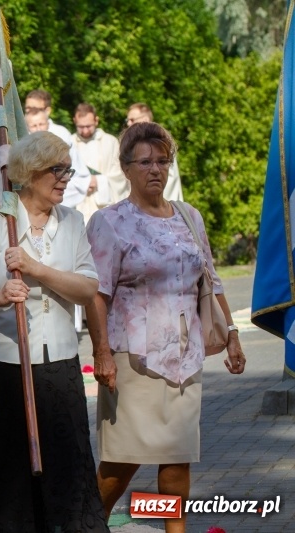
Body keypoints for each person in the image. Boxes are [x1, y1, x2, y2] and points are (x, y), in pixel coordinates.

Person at [84, 122, 246, 533]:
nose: (155, 169)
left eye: (162, 161)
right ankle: (87, 525)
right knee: (121, 464)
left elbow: (211, 279)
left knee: (176, 460)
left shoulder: (189, 216)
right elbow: (96, 294)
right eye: (145, 162)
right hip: (133, 358)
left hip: (185, 358)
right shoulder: (109, 221)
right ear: (126, 167)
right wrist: (101, 352)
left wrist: (232, 336)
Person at [0, 132, 109, 532]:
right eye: (57, 169)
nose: (65, 178)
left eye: (67, 169)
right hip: (5, 365)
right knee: (6, 476)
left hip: (59, 366)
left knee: (64, 467)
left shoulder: (72, 221)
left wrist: (36, 269)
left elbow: (88, 288)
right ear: (30, 172)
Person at [24, 108, 91, 213]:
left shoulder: (62, 135)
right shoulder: (24, 146)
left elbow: (77, 173)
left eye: (41, 124)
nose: (38, 129)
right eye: (33, 126)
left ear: (48, 123)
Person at [72, 102, 127, 221]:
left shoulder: (110, 142)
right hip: (78, 205)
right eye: (81, 127)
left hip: (104, 204)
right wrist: (81, 183)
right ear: (74, 121)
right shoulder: (69, 143)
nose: (85, 131)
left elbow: (121, 174)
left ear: (96, 121)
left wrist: (98, 181)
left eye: (89, 126)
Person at [125, 103, 183, 201]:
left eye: (132, 120)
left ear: (146, 119)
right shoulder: (129, 144)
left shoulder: (161, 141)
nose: (128, 124)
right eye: (127, 120)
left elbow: (170, 179)